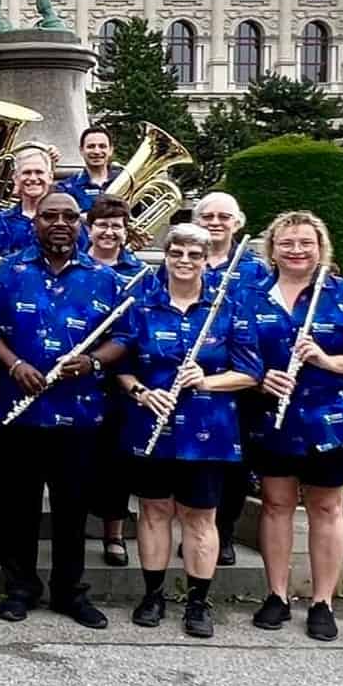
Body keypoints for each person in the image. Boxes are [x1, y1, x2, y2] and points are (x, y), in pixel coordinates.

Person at [0, 191, 130, 628]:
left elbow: (125, 335)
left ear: (80, 223)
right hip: (18, 410)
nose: (59, 223)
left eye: (68, 216)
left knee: (72, 506)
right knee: (18, 506)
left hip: (80, 414)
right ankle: (19, 588)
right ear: (34, 222)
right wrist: (15, 364)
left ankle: (69, 592)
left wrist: (95, 361)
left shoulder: (104, 277)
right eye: (49, 216)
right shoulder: (8, 271)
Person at [246, 210, 343, 642]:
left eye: (305, 242)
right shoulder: (251, 295)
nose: (295, 250)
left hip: (330, 419)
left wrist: (325, 360)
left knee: (327, 507)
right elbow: (237, 352)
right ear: (272, 248)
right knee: (275, 504)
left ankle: (323, 601)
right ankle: (276, 594)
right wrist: (259, 378)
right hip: (273, 415)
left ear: (320, 246)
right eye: (286, 243)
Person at [114, 222, 262, 639]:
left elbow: (250, 372)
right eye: (177, 253)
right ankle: (153, 594)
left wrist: (206, 381)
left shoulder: (227, 307)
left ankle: (198, 601)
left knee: (201, 517)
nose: (184, 261)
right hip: (151, 425)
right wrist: (142, 393)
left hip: (207, 430)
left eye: (194, 255)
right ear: (167, 256)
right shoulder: (141, 305)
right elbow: (122, 369)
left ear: (205, 260)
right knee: (154, 511)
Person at [197, 190, 271, 565]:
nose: (215, 222)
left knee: (234, 463)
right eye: (207, 216)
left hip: (238, 380)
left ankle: (223, 532)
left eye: (223, 216)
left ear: (238, 223)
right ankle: (195, 532)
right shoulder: (183, 260)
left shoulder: (257, 270)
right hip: (190, 380)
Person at [84, 194, 142, 566]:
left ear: (126, 232)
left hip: (117, 375)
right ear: (89, 228)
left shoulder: (139, 274)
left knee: (115, 458)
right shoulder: (74, 267)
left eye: (116, 226)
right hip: (71, 376)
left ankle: (114, 534)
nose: (109, 231)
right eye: (102, 224)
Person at [0, 146, 60, 257]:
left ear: (50, 177)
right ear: (15, 178)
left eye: (39, 172)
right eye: (26, 172)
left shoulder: (64, 221)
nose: (32, 178)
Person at [56, 126, 120, 211]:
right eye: (91, 146)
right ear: (81, 150)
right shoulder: (67, 187)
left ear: (111, 150)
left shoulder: (125, 180)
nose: (97, 151)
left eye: (102, 146)